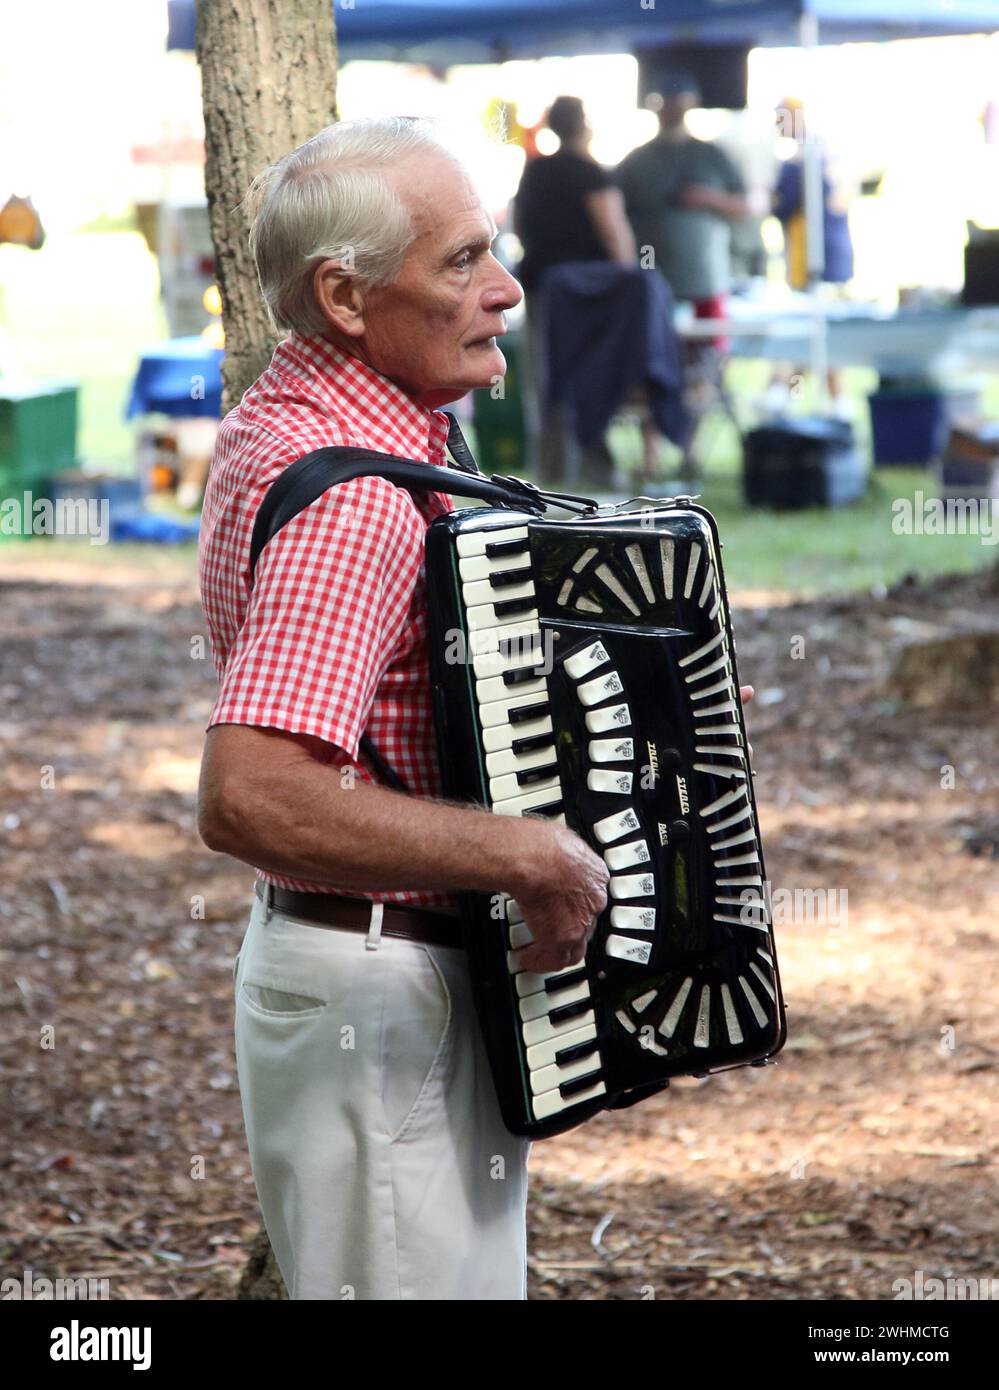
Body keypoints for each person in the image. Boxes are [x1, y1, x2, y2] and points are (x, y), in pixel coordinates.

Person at [196, 116, 610, 1301]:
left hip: (389, 979)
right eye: (463, 263)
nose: (508, 290)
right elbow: (254, 793)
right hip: (379, 995)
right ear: (345, 294)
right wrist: (523, 851)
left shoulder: (314, 421)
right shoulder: (356, 499)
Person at [614, 75, 748, 473]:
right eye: (665, 99)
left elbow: (747, 202)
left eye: (679, 99)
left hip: (706, 280)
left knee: (705, 366)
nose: (672, 107)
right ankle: (651, 454)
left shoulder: (712, 156)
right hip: (654, 285)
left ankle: (691, 449)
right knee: (652, 366)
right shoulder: (636, 161)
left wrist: (707, 198)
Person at [512, 96, 637, 482]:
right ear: (584, 125)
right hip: (588, 297)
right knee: (590, 379)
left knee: (545, 382)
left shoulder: (534, 171)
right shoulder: (591, 174)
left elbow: (519, 226)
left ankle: (551, 469)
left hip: (540, 290)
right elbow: (616, 236)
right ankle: (595, 467)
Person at [765, 96, 856, 417]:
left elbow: (780, 206)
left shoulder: (802, 162)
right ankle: (788, 393)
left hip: (813, 262)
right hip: (834, 259)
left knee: (812, 330)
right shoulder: (826, 154)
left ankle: (785, 392)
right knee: (817, 330)